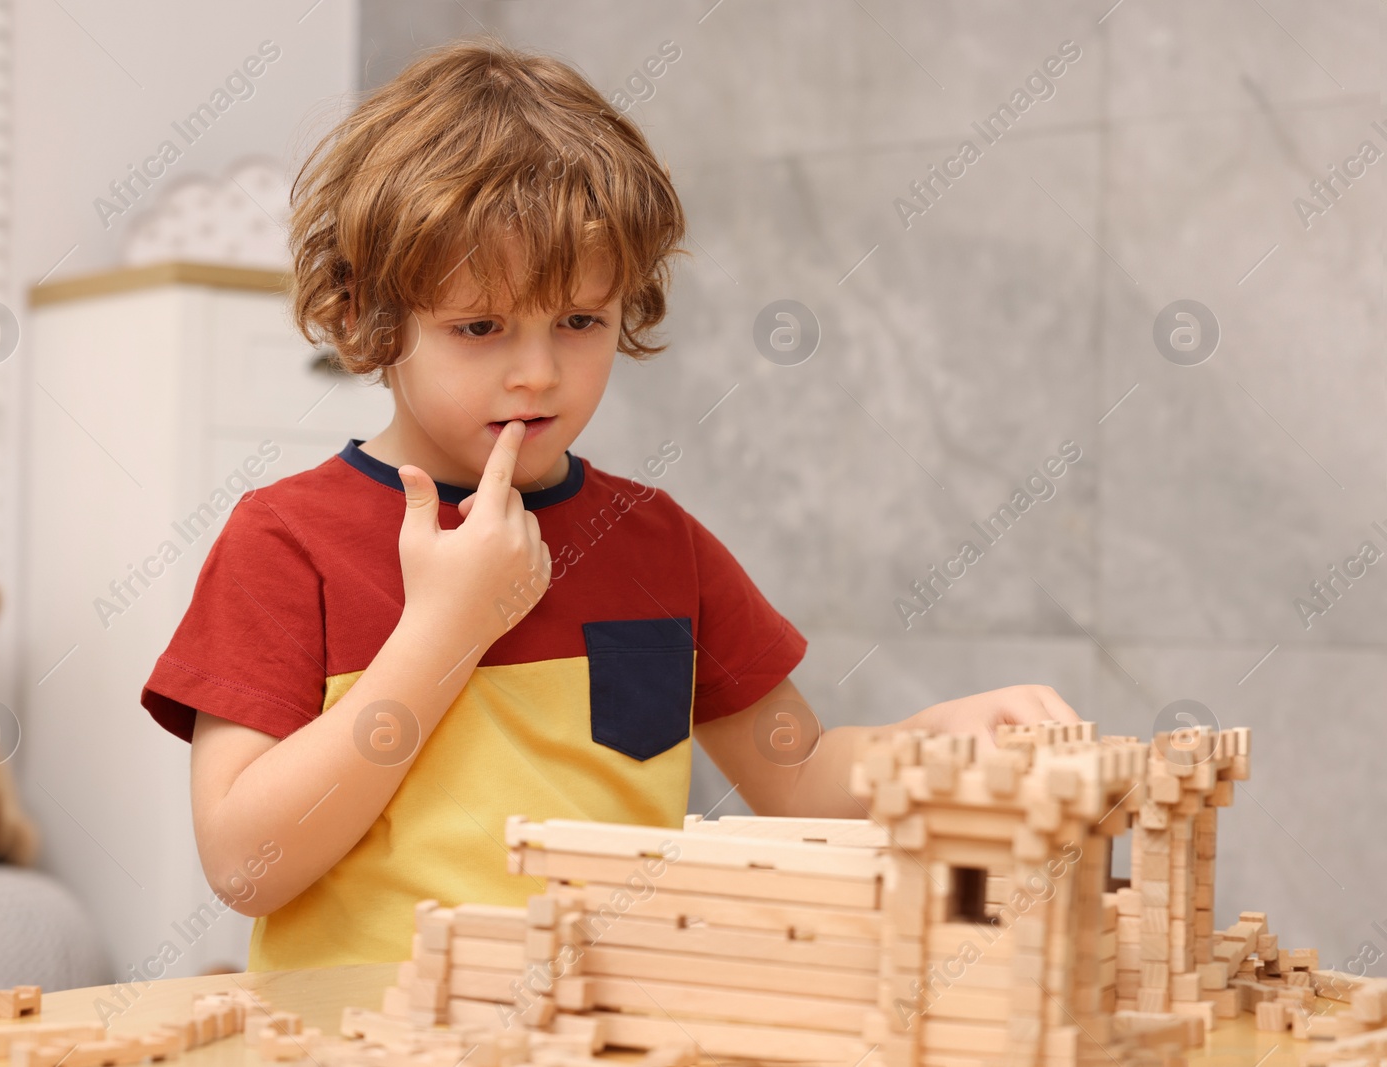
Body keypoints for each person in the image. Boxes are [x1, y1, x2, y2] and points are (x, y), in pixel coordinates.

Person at [140, 37, 1079, 971]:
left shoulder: (658, 542)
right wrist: (445, 629)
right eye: (479, 327)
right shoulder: (285, 540)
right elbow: (244, 862)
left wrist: (932, 746)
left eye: (580, 321)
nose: (538, 372)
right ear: (364, 316)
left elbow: (797, 775)